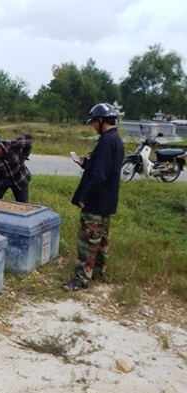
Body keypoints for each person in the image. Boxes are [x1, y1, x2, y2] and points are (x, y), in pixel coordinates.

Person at [63, 103, 124, 291]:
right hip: (107, 201)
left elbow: (100, 176)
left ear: (101, 120)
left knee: (88, 240)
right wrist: (87, 163)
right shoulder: (116, 140)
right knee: (101, 240)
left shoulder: (106, 141)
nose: (93, 126)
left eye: (93, 122)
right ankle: (97, 272)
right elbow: (104, 168)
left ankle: (81, 278)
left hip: (96, 202)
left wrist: (84, 197)